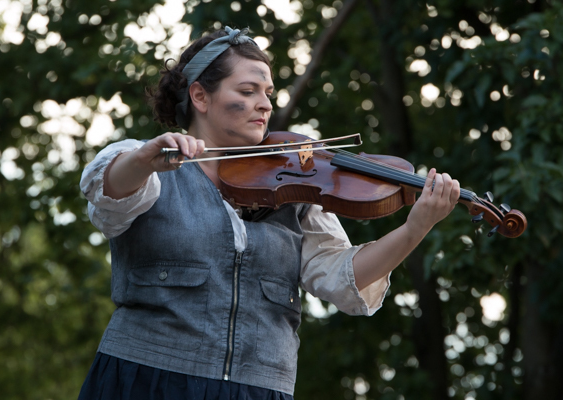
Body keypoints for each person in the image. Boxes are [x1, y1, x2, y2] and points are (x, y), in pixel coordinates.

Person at [78, 26, 460, 400]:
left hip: (260, 387)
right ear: (200, 96)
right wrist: (146, 157)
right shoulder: (149, 167)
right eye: (248, 91)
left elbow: (345, 279)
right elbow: (108, 188)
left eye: (269, 93)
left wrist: (416, 228)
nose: (265, 104)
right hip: (150, 379)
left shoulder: (292, 185)